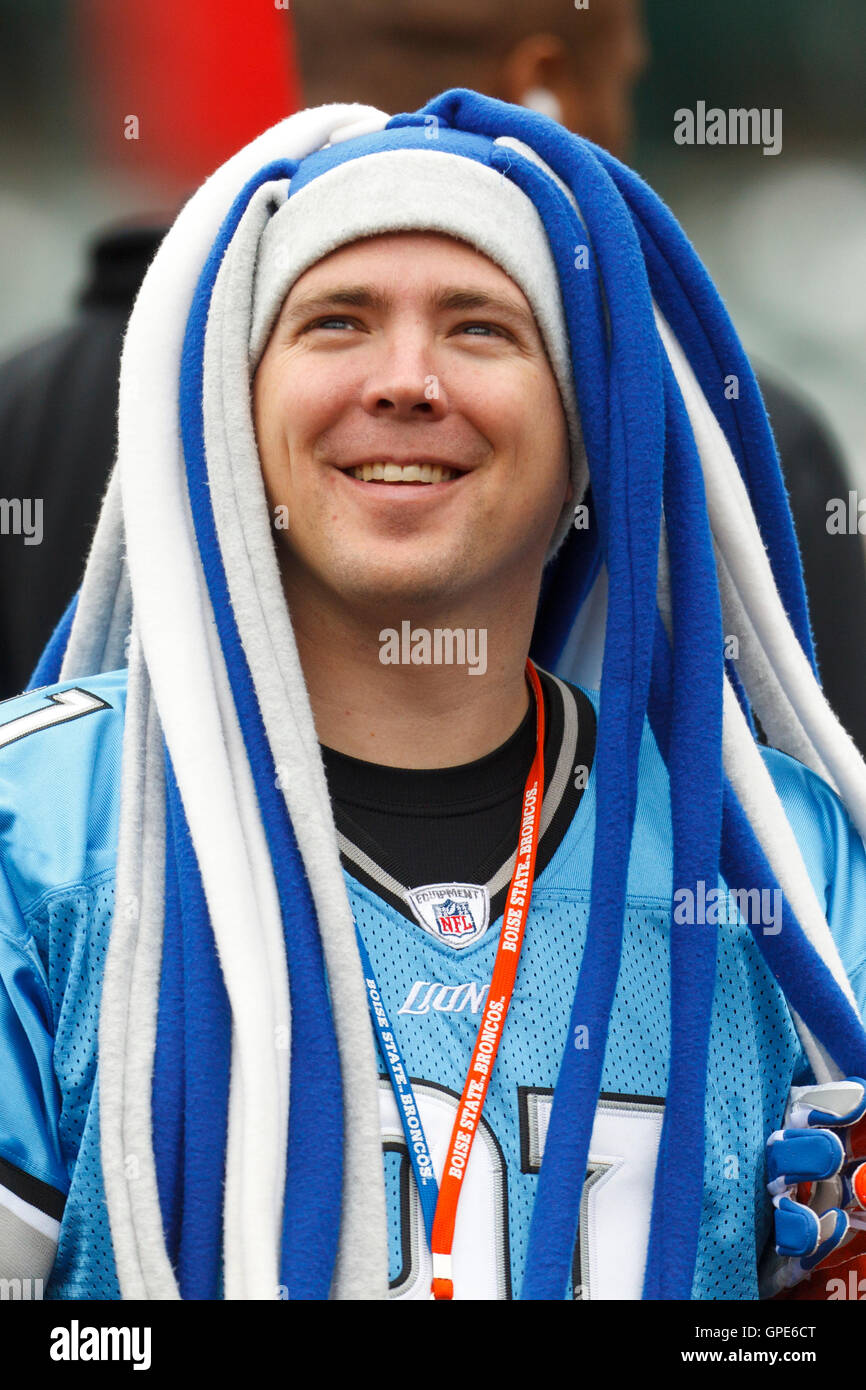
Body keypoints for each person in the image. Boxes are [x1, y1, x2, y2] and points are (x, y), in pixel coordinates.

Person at [2, 91, 866, 1303]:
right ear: (233, 413)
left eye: (478, 330)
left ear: (586, 431)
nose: (405, 381)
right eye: (337, 322)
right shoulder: (35, 828)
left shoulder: (777, 857)